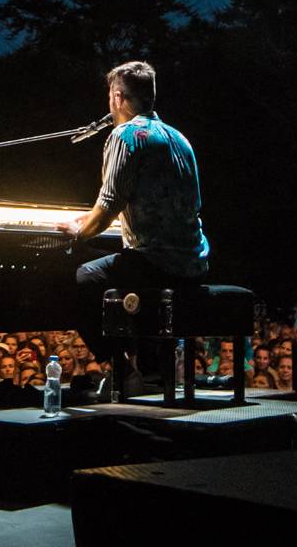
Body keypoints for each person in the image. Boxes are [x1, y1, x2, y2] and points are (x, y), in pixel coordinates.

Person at [63, 60, 210, 381]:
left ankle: (123, 367)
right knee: (119, 267)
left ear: (117, 97)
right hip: (194, 264)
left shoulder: (126, 136)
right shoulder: (179, 139)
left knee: (83, 277)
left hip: (158, 265)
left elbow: (109, 205)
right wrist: (94, 217)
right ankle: (149, 359)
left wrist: (79, 230)